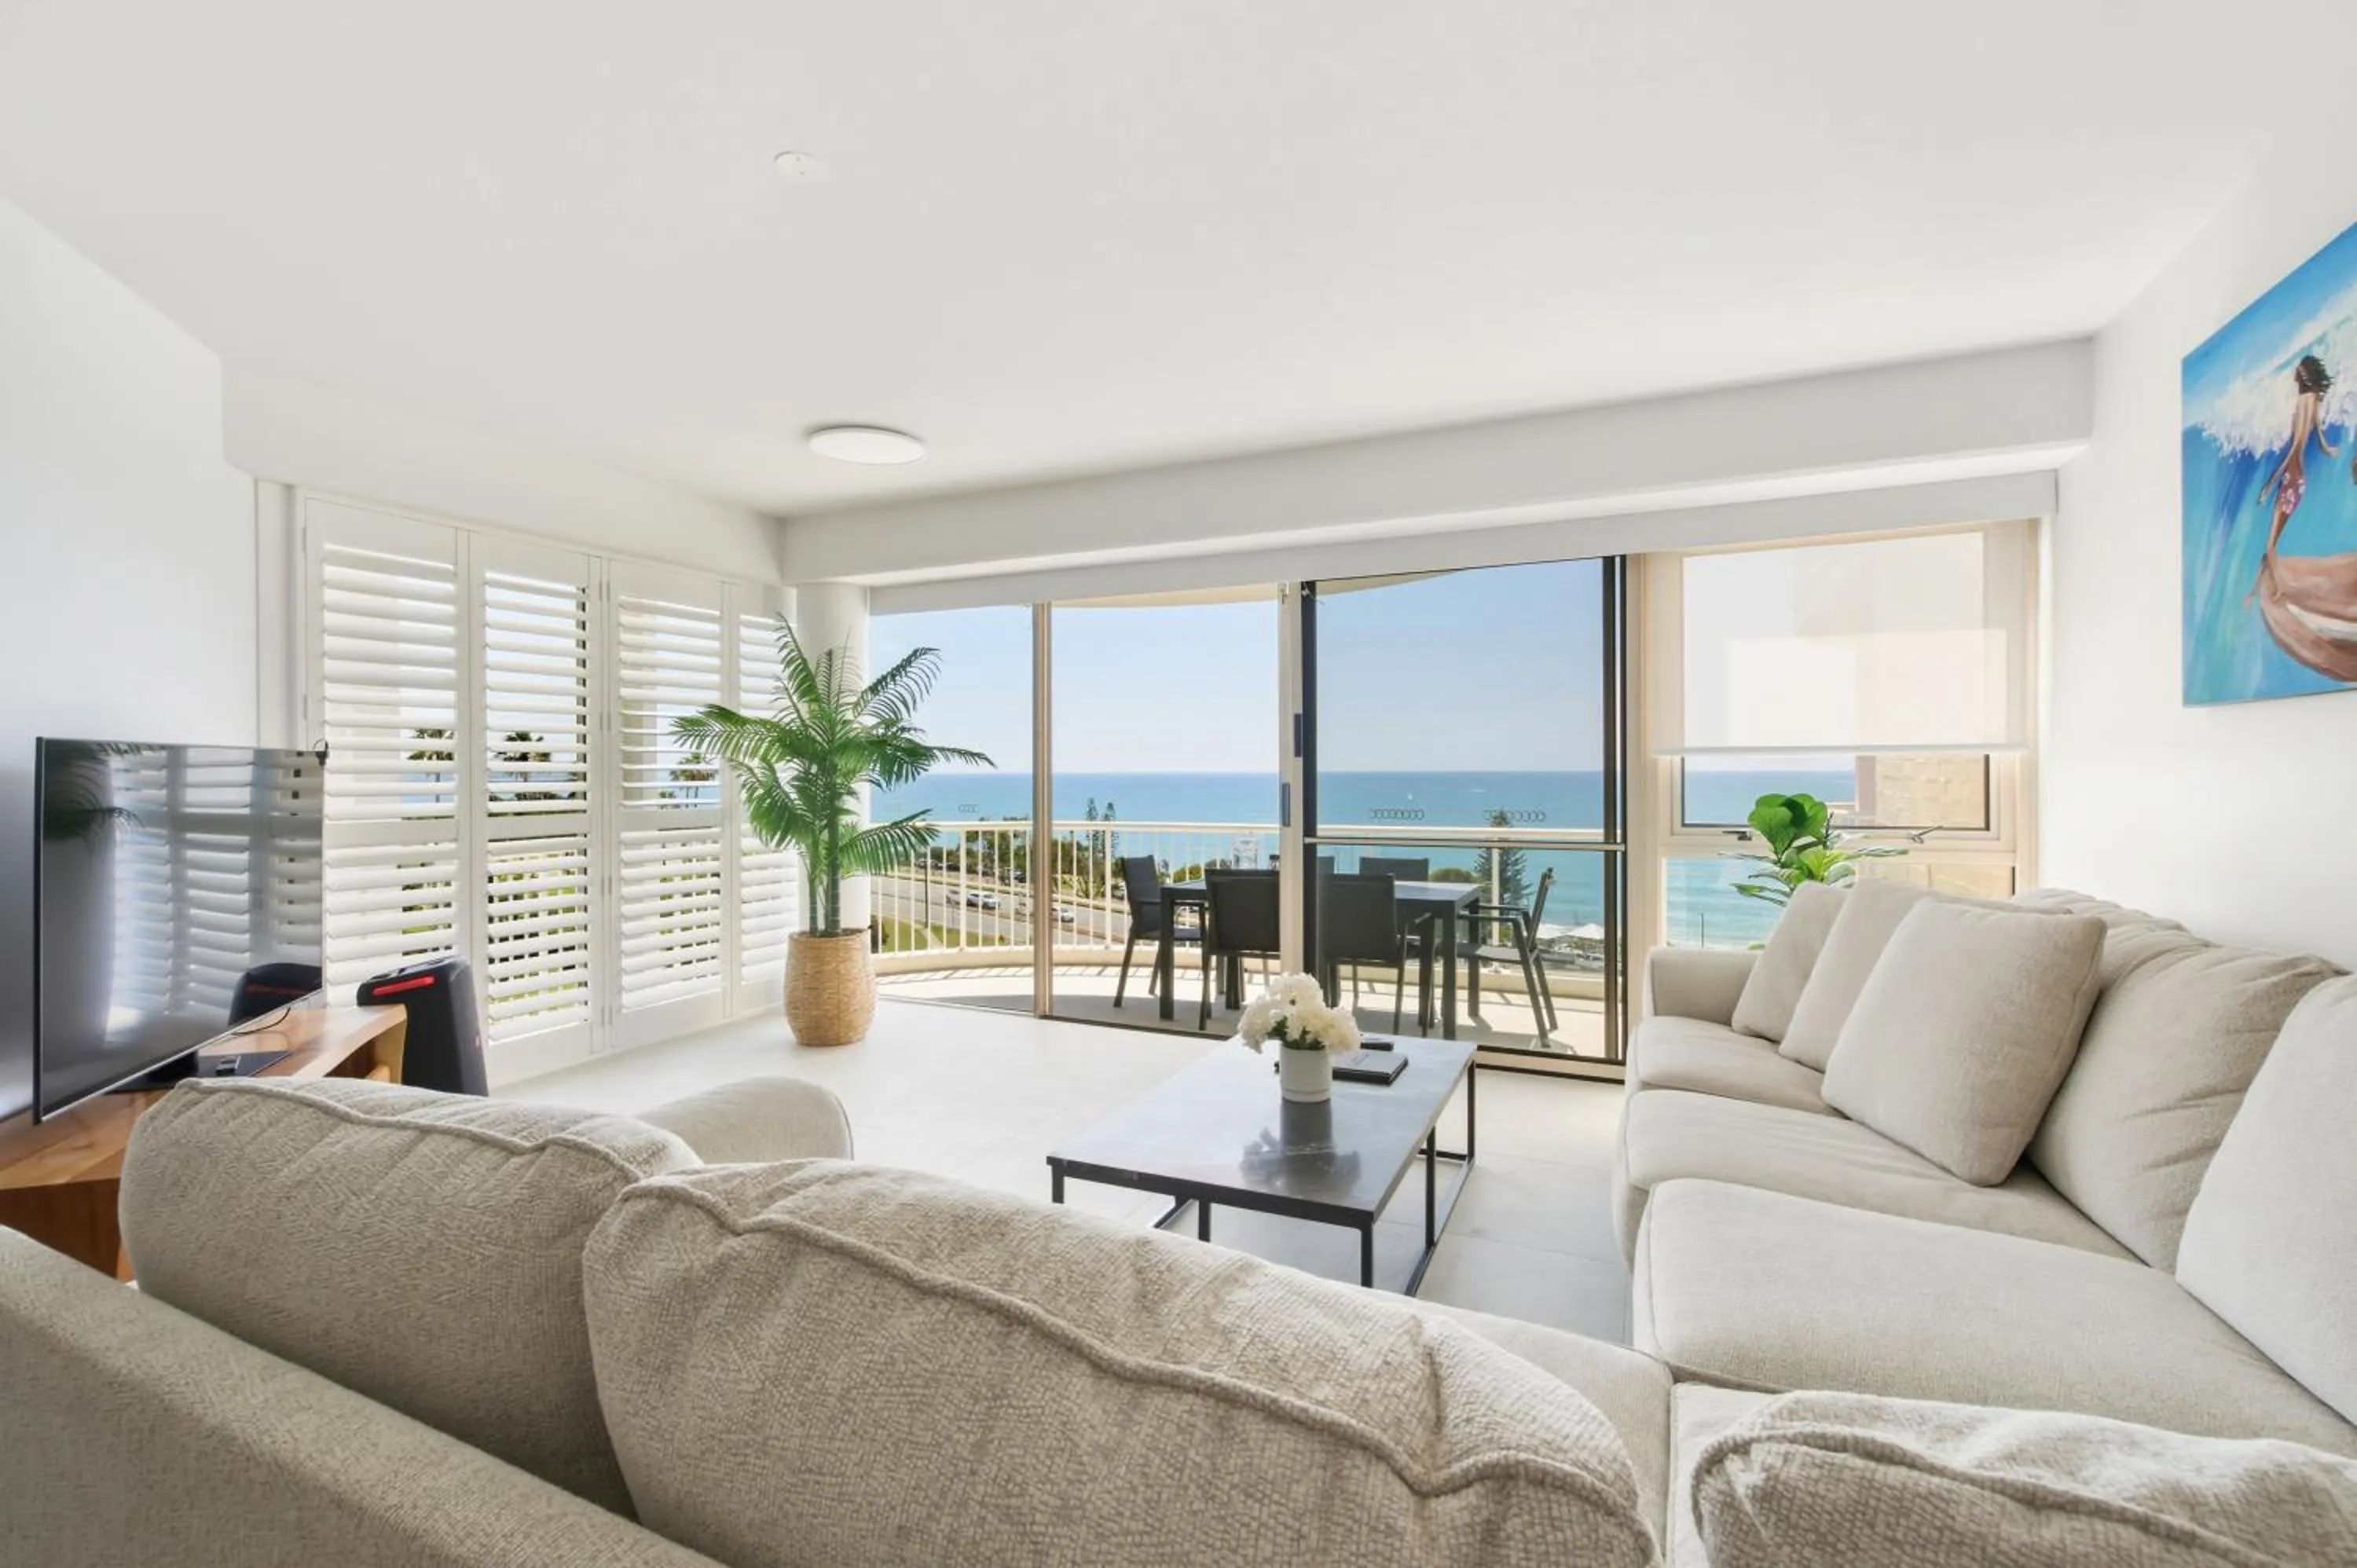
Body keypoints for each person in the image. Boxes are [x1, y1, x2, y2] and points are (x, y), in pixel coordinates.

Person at [2252, 354, 2341, 603]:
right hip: (2297, 481)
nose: (2294, 372)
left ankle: (2276, 590)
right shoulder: (2313, 401)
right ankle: (2256, 588)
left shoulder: (2304, 400)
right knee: (2272, 543)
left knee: (2271, 545)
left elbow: (2296, 446)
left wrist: (2270, 484)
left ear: (2302, 373)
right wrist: (2329, 449)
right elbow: (2320, 438)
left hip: (2291, 480)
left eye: (2297, 369)